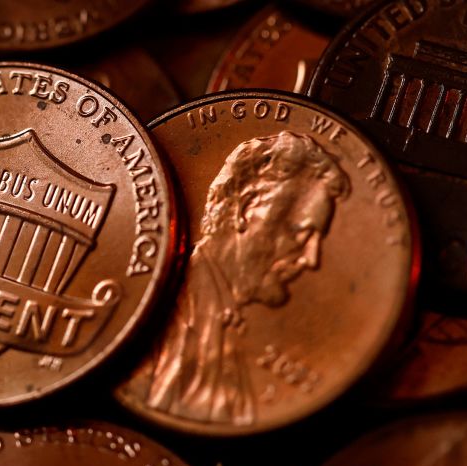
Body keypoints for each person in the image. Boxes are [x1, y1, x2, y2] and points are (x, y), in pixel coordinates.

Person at [133, 131, 350, 425]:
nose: (311, 259)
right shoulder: (160, 310)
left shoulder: (222, 328)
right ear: (248, 209)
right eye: (300, 232)